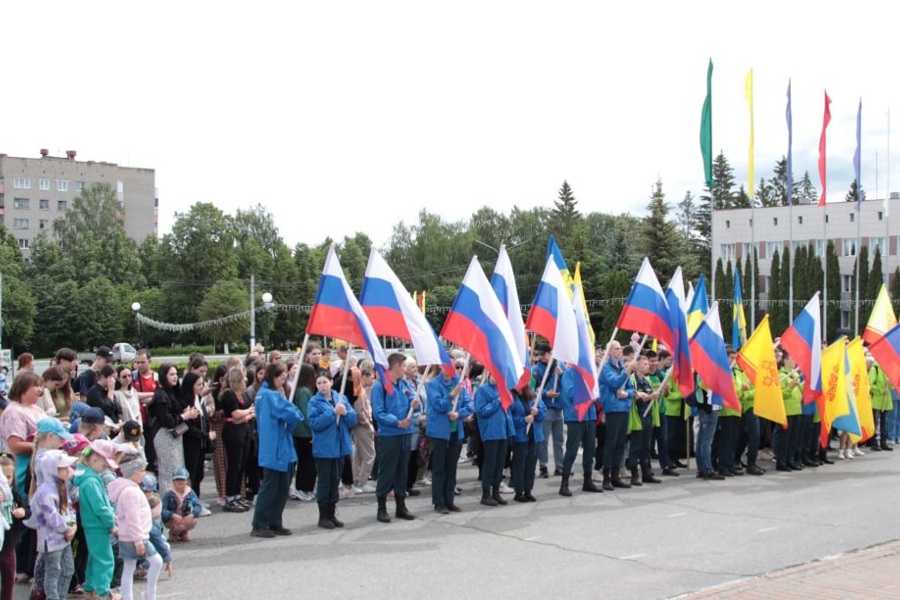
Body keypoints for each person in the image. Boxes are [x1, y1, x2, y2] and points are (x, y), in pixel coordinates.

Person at [251, 363, 304, 538]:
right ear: (273, 377)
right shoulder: (269, 396)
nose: (284, 379)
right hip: (275, 447)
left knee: (282, 487)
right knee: (271, 487)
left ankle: (274, 521)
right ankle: (260, 523)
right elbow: (293, 414)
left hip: (280, 446)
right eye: (281, 376)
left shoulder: (268, 395)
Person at [371, 353, 419, 523]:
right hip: (390, 434)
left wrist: (415, 403)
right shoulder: (380, 386)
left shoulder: (404, 383)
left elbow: (414, 399)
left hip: (406, 433)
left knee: (401, 470)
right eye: (403, 365)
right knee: (387, 470)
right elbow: (378, 413)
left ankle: (401, 505)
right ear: (396, 365)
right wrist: (397, 422)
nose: (405, 369)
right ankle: (381, 507)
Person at [107, 456, 163, 600]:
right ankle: (149, 594)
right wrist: (138, 540)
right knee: (156, 561)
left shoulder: (129, 489)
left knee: (129, 567)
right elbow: (133, 518)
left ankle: (129, 596)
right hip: (136, 536)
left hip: (129, 535)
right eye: (141, 470)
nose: (144, 474)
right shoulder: (130, 492)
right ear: (133, 472)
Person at [308, 371, 357, 529]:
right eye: (319, 383)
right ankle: (323, 515)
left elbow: (353, 420)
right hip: (324, 448)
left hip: (340, 446)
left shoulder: (341, 397)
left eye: (325, 382)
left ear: (331, 382)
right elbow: (315, 423)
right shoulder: (314, 402)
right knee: (325, 481)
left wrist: (346, 413)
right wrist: (332, 413)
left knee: (335, 480)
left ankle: (332, 513)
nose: (322, 386)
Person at [26, 450, 77, 600]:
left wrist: (73, 524)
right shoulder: (45, 491)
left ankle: (61, 596)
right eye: (64, 467)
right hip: (51, 540)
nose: (69, 470)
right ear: (51, 469)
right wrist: (67, 528)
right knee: (53, 571)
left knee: (68, 569)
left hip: (64, 537)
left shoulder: (61, 486)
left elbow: (69, 508)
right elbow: (52, 517)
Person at [73, 441, 118, 600]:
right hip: (97, 525)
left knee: (95, 558)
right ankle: (102, 592)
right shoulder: (91, 481)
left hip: (93, 525)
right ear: (94, 458)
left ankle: (91, 588)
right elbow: (99, 507)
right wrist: (111, 523)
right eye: (104, 463)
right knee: (105, 560)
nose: (106, 466)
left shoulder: (88, 477)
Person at [426, 364, 472, 513]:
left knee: (451, 467)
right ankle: (438, 502)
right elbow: (438, 405)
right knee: (439, 468)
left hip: (455, 431)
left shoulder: (458, 381)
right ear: (440, 367)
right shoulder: (433, 384)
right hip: (440, 432)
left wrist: (458, 414)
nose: (449, 368)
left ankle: (449, 500)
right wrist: (452, 394)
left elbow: (469, 404)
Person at [148, 364, 194, 492]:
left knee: (178, 468)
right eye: (171, 374)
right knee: (169, 471)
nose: (175, 377)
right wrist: (185, 416)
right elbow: (167, 420)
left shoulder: (171, 392)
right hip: (164, 435)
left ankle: (179, 501)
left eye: (176, 374)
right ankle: (168, 502)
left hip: (175, 436)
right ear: (164, 376)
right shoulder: (161, 395)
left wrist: (185, 412)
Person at [559, 364, 604, 495]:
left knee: (590, 450)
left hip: (590, 416)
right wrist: (587, 391)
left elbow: (597, 395)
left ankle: (587, 481)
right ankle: (564, 483)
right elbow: (570, 393)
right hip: (576, 416)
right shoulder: (569, 373)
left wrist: (594, 393)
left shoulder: (589, 374)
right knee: (572, 450)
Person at [599, 341, 636, 490]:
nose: (619, 351)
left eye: (620, 348)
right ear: (608, 352)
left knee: (621, 442)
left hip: (623, 408)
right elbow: (614, 383)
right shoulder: (605, 367)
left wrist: (627, 394)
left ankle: (616, 475)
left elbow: (631, 388)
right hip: (613, 408)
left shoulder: (621, 366)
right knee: (611, 443)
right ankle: (606, 477)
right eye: (616, 348)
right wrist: (627, 371)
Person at [220, 367, 254, 513]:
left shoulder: (243, 394)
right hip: (233, 432)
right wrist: (247, 412)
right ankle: (229, 496)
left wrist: (246, 415)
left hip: (244, 429)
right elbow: (235, 414)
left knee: (241, 464)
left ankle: (237, 494)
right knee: (234, 464)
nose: (246, 380)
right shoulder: (228, 394)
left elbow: (247, 413)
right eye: (244, 377)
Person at [475, 373, 511, 507]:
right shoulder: (483, 390)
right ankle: (486, 494)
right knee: (490, 463)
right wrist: (498, 401)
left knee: (499, 464)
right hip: (490, 432)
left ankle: (496, 492)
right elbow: (481, 410)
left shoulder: (503, 388)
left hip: (502, 431)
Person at [177, 373, 213, 504]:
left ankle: (196, 500)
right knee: (191, 473)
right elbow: (188, 427)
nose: (201, 387)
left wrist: (207, 434)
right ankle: (189, 502)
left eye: (202, 384)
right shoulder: (185, 401)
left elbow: (205, 419)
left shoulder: (199, 398)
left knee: (199, 474)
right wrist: (205, 435)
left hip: (201, 443)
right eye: (198, 384)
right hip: (190, 443)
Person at [532, 343, 564, 478]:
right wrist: (546, 393)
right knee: (543, 440)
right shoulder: (536, 369)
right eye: (539, 354)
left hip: (558, 408)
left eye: (543, 354)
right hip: (545, 408)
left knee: (559, 440)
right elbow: (533, 389)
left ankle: (559, 466)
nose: (541, 357)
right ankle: (543, 466)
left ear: (550, 353)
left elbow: (566, 384)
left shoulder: (560, 366)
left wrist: (561, 375)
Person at [509, 385, 545, 502]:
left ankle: (528, 490)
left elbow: (543, 412)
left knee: (531, 463)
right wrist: (523, 420)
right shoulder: (512, 397)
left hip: (533, 435)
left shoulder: (533, 395)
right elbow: (509, 418)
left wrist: (538, 412)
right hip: (520, 436)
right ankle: (519, 492)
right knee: (520, 463)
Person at [0, 454, 27, 600]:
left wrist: (23, 512)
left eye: (9, 477)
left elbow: (27, 509)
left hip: (9, 545)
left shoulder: (14, 494)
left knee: (9, 579)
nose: (6, 481)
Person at [290, 364, 317, 502]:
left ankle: (301, 487)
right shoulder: (305, 391)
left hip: (298, 432)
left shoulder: (297, 390)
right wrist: (314, 432)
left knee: (303, 462)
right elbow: (307, 414)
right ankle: (306, 488)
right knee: (309, 463)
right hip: (306, 432)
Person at [351, 363, 377, 494]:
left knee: (359, 454)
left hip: (359, 426)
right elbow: (360, 411)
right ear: (364, 377)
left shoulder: (361, 390)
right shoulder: (360, 392)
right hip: (363, 426)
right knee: (370, 454)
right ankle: (362, 480)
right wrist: (368, 424)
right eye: (371, 377)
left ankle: (357, 479)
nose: (373, 380)